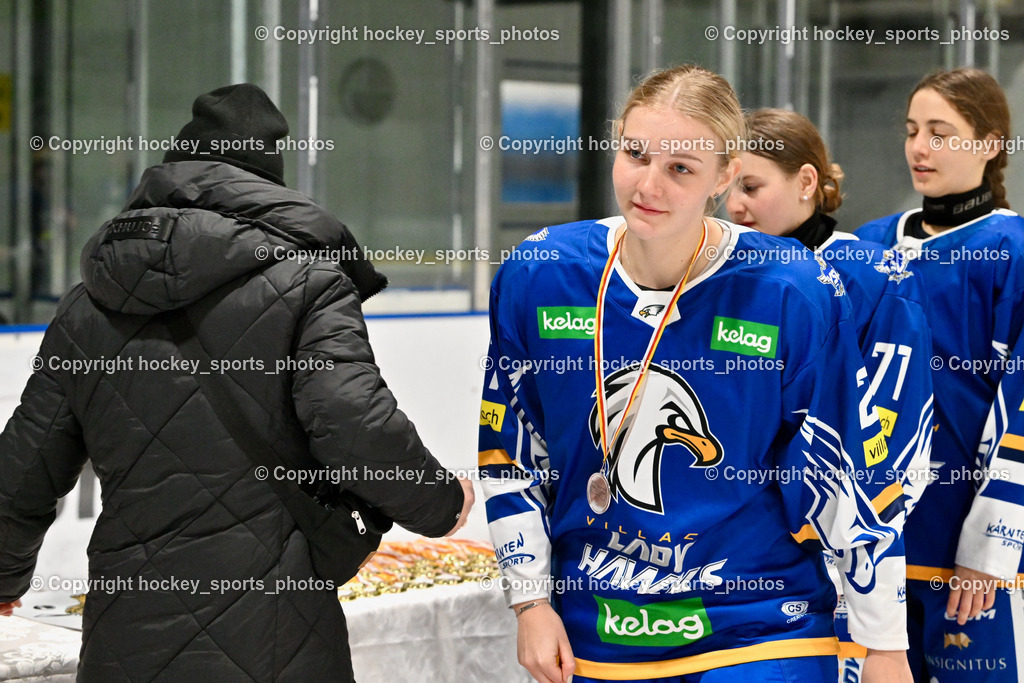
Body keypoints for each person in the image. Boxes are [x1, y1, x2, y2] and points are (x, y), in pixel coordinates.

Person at [0, 83, 474, 681]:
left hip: (127, 634)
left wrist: (3, 576)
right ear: (267, 183)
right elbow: (354, 423)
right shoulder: (309, 284)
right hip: (278, 634)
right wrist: (441, 503)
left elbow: (25, 466)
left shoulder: (87, 304)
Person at [478, 65, 911, 683]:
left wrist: (885, 645)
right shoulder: (540, 274)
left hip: (760, 625)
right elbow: (512, 452)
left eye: (681, 168)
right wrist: (530, 600)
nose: (648, 185)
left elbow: (846, 473)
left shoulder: (791, 289)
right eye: (635, 154)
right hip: (598, 627)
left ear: (723, 176)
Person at [727, 108, 935, 681]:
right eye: (728, 188)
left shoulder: (877, 275)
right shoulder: (719, 277)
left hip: (842, 560)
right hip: (733, 562)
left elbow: (892, 437)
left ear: (806, 182)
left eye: (751, 187)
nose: (735, 206)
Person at [855, 67, 1024, 682]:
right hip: (870, 558)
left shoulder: (1013, 253)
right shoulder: (866, 247)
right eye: (911, 131)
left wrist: (992, 547)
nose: (919, 148)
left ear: (990, 143)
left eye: (940, 132)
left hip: (969, 566)